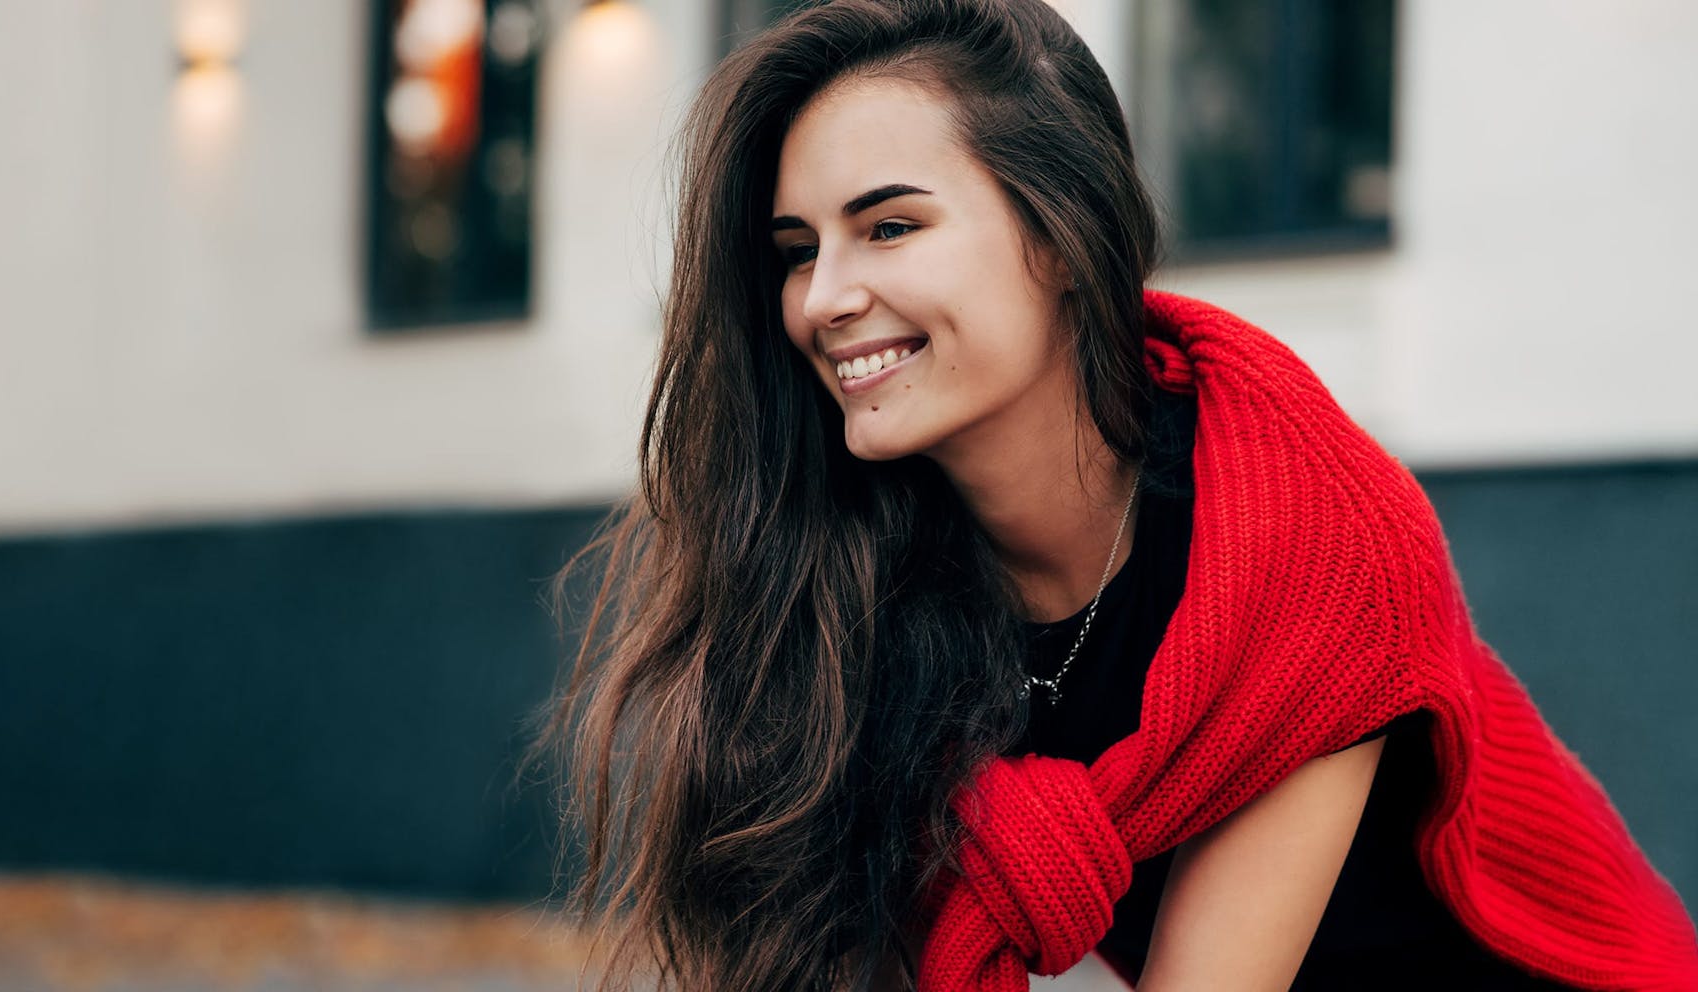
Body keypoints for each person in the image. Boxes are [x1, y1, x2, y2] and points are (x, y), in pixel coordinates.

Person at [532, 2, 1697, 990]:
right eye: (797, 247)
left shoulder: (1310, 543)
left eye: (889, 226)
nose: (822, 298)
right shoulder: (858, 569)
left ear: (1062, 236)